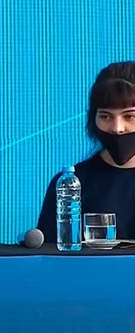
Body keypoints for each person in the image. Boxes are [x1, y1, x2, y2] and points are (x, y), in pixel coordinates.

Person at [38, 61, 135, 241]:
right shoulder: (70, 184)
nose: (117, 128)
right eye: (105, 116)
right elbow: (49, 253)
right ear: (93, 118)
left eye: (130, 116)